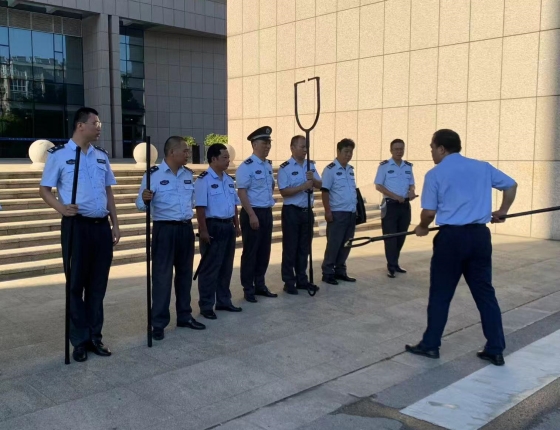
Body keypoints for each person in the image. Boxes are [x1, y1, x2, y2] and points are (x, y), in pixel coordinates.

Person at [406, 129, 517, 366]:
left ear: (442, 149)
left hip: (451, 239)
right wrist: (503, 211)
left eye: (432, 147)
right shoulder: (482, 167)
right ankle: (495, 348)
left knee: (441, 293)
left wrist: (422, 227)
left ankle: (430, 345)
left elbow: (429, 212)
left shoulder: (435, 174)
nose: (431, 152)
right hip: (479, 237)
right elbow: (510, 185)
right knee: (485, 293)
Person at [39, 107, 120, 362]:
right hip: (77, 226)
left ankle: (95, 337)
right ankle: (79, 340)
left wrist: (115, 223)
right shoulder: (60, 155)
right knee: (75, 285)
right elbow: (44, 189)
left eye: (100, 123)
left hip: (101, 227)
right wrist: (61, 208)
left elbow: (108, 192)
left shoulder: (101, 156)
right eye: (95, 123)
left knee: (98, 285)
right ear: (80, 125)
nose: (99, 127)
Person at [136, 136, 205, 341]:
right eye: (185, 150)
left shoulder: (188, 175)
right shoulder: (153, 175)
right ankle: (158, 323)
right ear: (172, 152)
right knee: (162, 278)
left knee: (184, 275)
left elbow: (192, 202)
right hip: (164, 230)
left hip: (185, 229)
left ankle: (184, 315)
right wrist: (145, 199)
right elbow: (140, 204)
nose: (188, 154)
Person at [194, 143, 243, 319]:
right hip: (213, 226)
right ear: (213, 159)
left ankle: (224, 301)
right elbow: (200, 208)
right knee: (210, 268)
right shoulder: (203, 180)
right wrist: (203, 230)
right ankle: (206, 305)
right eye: (224, 157)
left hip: (228, 225)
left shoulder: (228, 180)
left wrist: (237, 225)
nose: (228, 160)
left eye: (228, 157)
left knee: (226, 266)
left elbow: (234, 204)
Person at [236, 126, 278, 302]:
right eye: (264, 143)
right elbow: (242, 192)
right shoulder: (246, 166)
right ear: (254, 144)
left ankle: (260, 284)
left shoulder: (267, 165)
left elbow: (271, 186)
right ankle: (248, 288)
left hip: (266, 211)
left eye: (269, 143)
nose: (267, 146)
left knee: (264, 251)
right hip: (252, 212)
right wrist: (252, 214)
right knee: (251, 252)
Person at [277, 135, 322, 295]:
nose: (305, 150)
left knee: (304, 247)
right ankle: (289, 281)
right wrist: (302, 186)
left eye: (306, 147)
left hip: (306, 211)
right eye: (302, 146)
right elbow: (283, 191)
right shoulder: (285, 168)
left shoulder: (311, 165)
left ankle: (302, 279)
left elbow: (320, 184)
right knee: (290, 247)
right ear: (292, 148)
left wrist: (313, 180)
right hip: (292, 211)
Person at [374, 139, 418, 278]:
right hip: (390, 205)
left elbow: (411, 183)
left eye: (401, 149)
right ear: (391, 150)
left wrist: (411, 191)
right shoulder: (384, 166)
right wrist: (395, 196)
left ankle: (395, 262)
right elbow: (378, 186)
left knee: (401, 236)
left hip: (404, 206)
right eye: (396, 149)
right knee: (390, 237)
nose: (399, 151)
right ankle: (391, 266)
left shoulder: (408, 166)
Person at [320, 138, 358, 285]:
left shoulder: (350, 170)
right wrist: (327, 211)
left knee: (347, 244)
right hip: (337, 213)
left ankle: (340, 271)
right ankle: (328, 272)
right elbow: (325, 192)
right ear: (338, 151)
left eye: (351, 152)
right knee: (334, 244)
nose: (348, 155)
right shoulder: (330, 170)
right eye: (346, 151)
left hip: (350, 212)